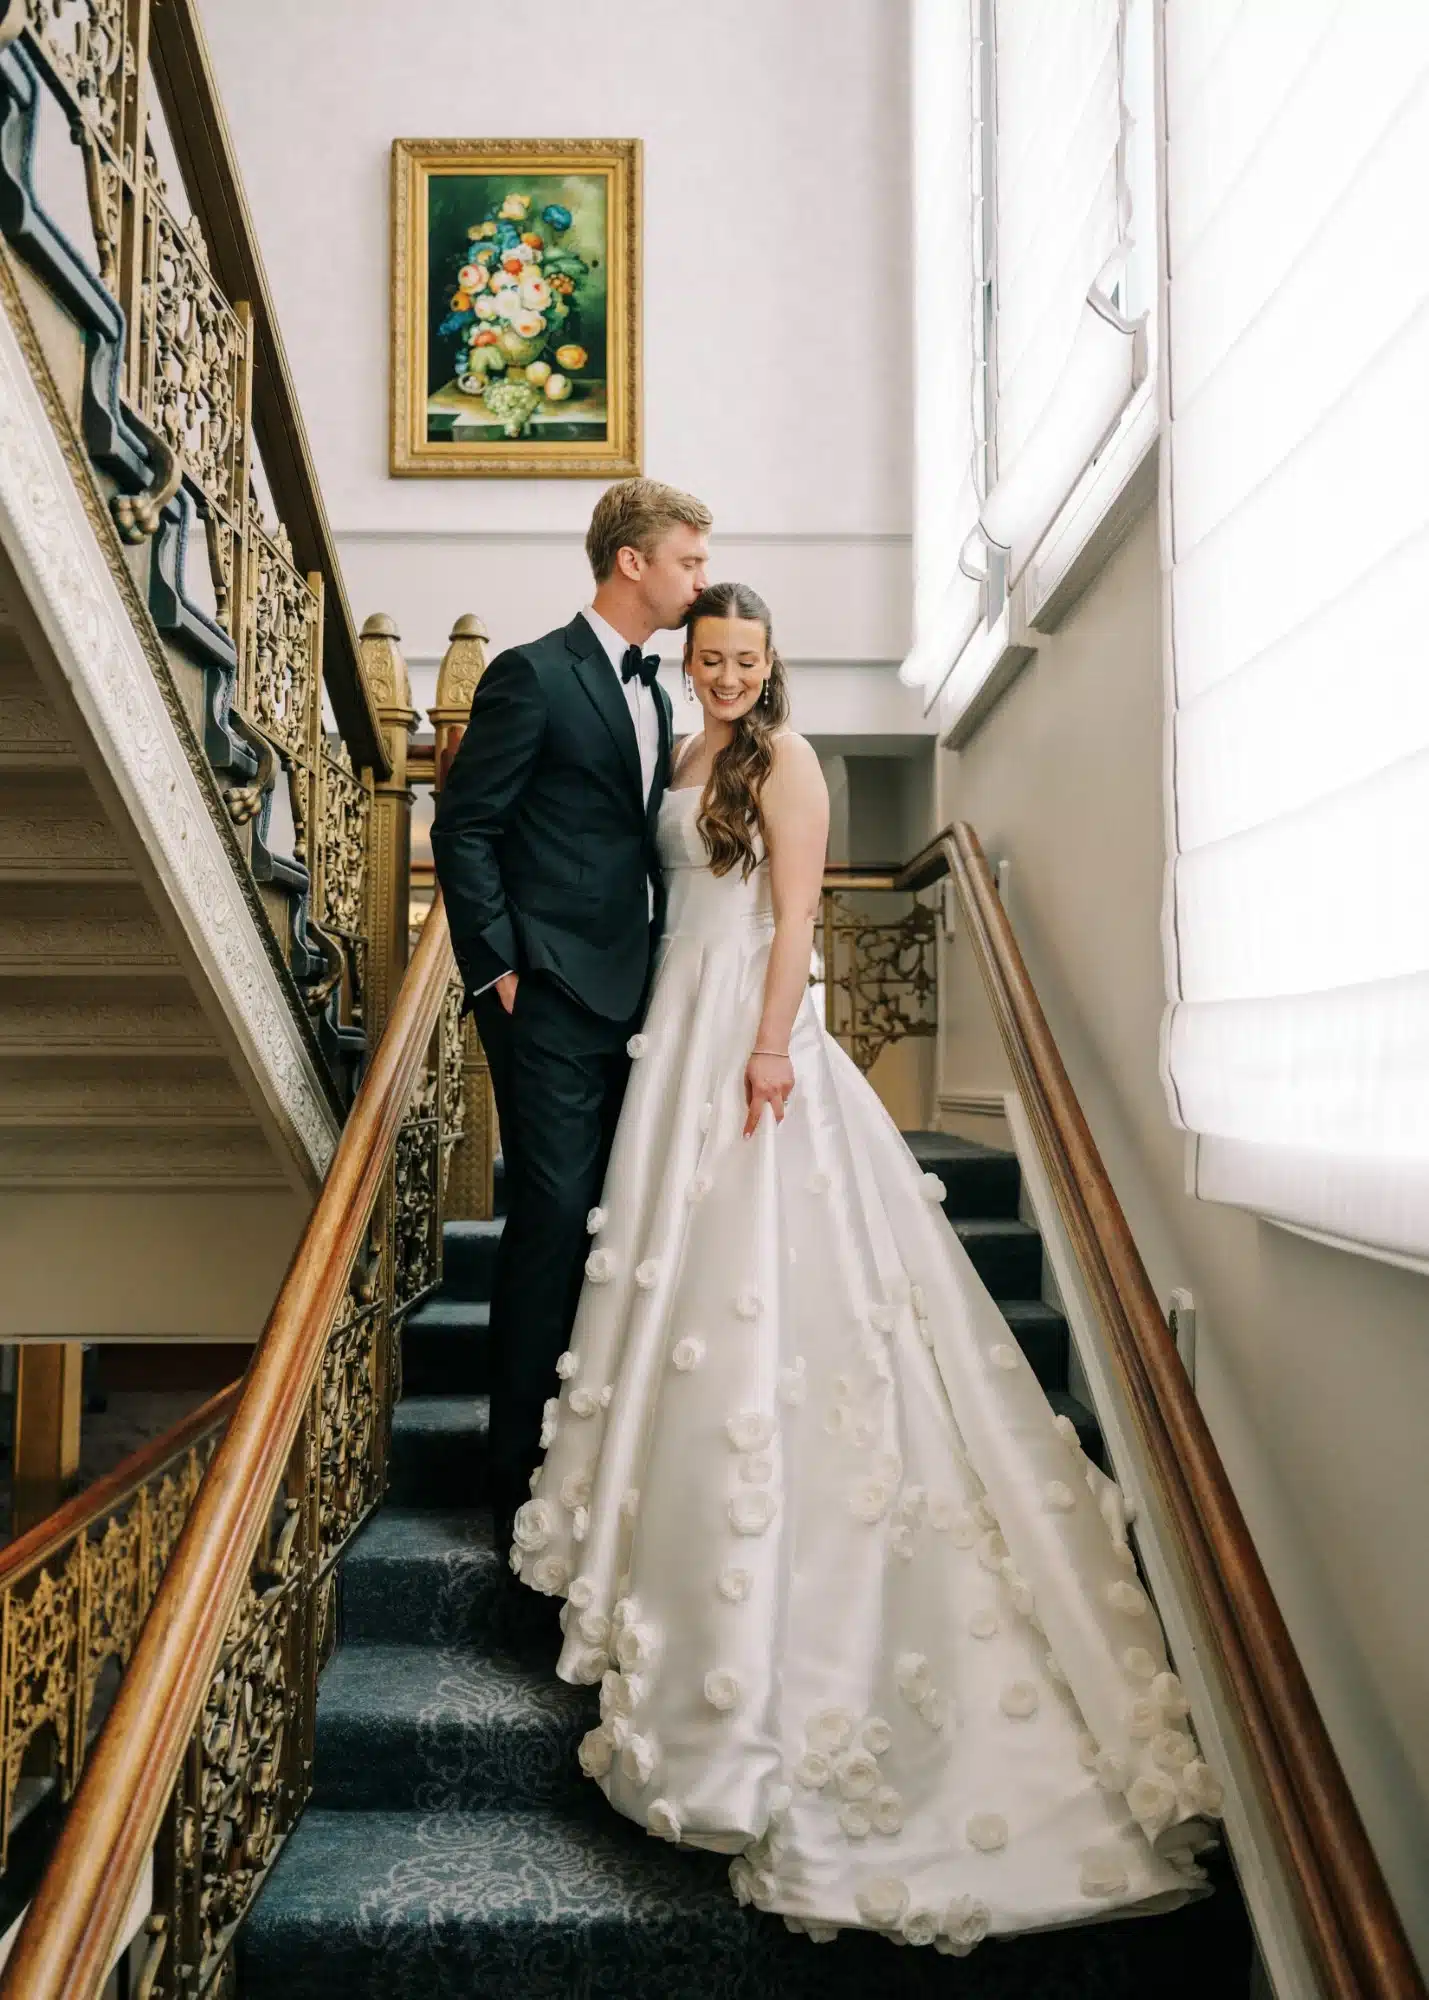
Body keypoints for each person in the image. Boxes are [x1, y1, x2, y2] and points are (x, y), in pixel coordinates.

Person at [510, 581, 1225, 1955]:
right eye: (709, 656)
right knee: (662, 1266)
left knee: (764, 1285)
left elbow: (794, 921)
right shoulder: (682, 749)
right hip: (670, 1020)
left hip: (749, 1029)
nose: (725, 674)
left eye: (745, 658)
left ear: (772, 664)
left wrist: (772, 1049)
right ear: (692, 661)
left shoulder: (787, 759)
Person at [431, 477, 712, 1552]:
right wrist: (496, 966)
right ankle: (514, 1477)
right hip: (544, 992)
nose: (695, 577)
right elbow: (466, 828)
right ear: (630, 561)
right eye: (685, 559)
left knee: (612, 1218)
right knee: (550, 1217)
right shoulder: (532, 675)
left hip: (638, 990)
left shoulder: (660, 691)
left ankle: (592, 1445)